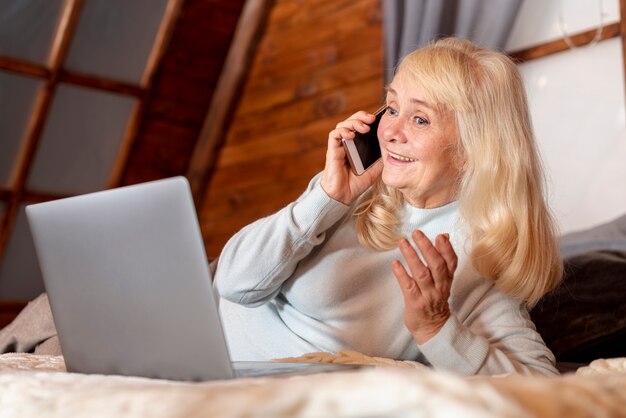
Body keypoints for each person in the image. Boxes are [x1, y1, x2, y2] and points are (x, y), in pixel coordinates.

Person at [213, 37, 563, 376]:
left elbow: (541, 384)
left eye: (420, 119)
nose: (390, 131)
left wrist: (436, 327)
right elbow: (232, 285)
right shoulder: (349, 192)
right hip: (204, 328)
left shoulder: (480, 257)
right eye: (392, 108)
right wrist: (325, 198)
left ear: (474, 151)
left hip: (253, 387)